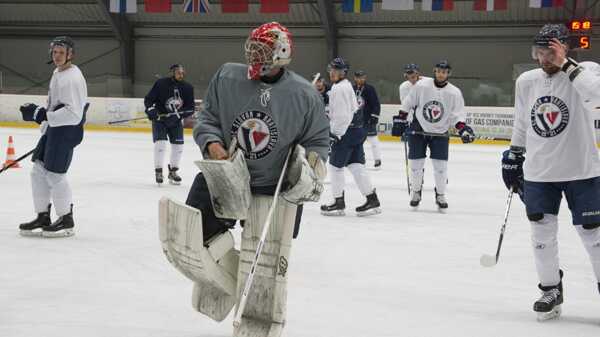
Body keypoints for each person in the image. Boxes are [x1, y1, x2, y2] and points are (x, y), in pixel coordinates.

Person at [157, 22, 329, 337]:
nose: (253, 56)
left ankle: (259, 314)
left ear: (281, 53)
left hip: (273, 189)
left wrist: (308, 169)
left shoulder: (305, 95)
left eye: (261, 51)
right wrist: (211, 143)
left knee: (265, 268)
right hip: (226, 175)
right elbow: (207, 118)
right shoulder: (227, 76)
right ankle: (231, 279)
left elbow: (318, 143)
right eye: (251, 48)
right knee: (192, 239)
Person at [501, 23, 600, 321]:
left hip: (582, 171)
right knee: (541, 233)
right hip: (539, 173)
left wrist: (564, 63)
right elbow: (522, 120)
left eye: (549, 52)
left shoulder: (586, 71)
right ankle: (550, 289)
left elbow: (596, 96)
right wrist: (514, 155)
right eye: (539, 52)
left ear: (565, 48)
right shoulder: (527, 81)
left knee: (593, 236)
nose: (543, 59)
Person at [18, 36, 88, 237]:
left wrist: (42, 115)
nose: (57, 56)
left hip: (66, 131)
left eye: (61, 52)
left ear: (70, 55)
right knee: (38, 171)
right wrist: (41, 115)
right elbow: (55, 105)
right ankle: (43, 216)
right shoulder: (58, 72)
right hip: (54, 129)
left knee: (55, 175)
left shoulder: (73, 78)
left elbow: (74, 114)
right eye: (54, 52)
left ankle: (66, 221)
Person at [393, 60, 475, 211]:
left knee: (441, 167)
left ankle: (440, 194)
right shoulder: (422, 85)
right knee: (416, 165)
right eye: (438, 71)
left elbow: (458, 116)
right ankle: (416, 192)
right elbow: (408, 103)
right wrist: (401, 119)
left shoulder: (454, 92)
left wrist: (463, 129)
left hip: (440, 132)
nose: (441, 74)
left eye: (444, 72)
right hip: (418, 129)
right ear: (434, 71)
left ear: (448, 74)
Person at [320, 58, 381, 217]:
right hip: (357, 131)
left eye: (337, 71)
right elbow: (353, 109)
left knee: (335, 167)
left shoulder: (338, 89)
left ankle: (338, 202)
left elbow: (341, 116)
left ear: (344, 73)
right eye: (331, 70)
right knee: (356, 166)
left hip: (345, 133)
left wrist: (335, 134)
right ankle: (371, 199)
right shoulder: (346, 85)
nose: (333, 73)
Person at [144, 63, 195, 185]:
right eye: (178, 72)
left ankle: (173, 171)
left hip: (175, 121)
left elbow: (190, 108)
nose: (181, 75)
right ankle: (159, 171)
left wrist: (178, 115)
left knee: (178, 147)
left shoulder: (188, 88)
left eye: (183, 73)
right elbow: (149, 100)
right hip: (160, 120)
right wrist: (151, 110)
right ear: (172, 73)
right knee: (160, 145)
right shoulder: (160, 84)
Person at [353, 70, 382, 169]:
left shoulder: (369, 89)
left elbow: (376, 104)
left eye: (362, 77)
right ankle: (360, 159)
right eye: (358, 77)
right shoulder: (351, 88)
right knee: (357, 141)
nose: (360, 79)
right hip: (356, 120)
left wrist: (374, 116)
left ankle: (377, 159)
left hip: (367, 119)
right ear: (355, 78)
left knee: (373, 140)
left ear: (365, 77)